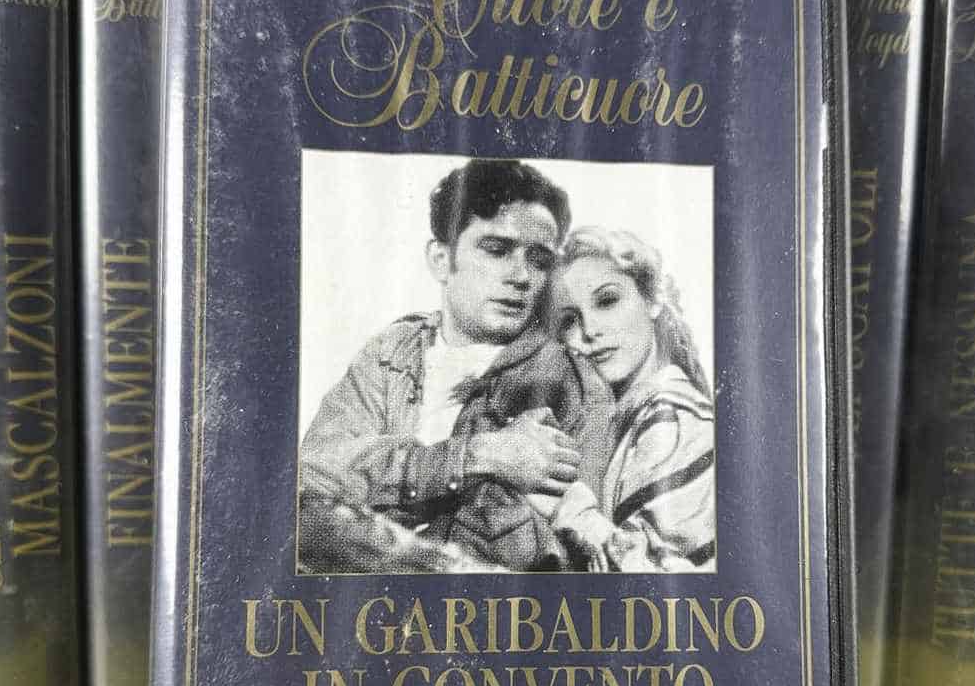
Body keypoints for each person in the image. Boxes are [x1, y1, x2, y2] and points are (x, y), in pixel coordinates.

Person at [299, 159, 613, 572]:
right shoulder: (393, 353)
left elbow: (569, 545)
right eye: (496, 250)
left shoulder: (572, 382)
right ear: (440, 259)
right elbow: (313, 477)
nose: (521, 276)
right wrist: (479, 455)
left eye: (538, 259)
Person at [545, 226, 715, 572]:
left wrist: (558, 503)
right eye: (570, 320)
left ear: (652, 300)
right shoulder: (632, 417)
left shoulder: (671, 416)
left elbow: (655, 582)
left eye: (607, 301)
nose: (589, 330)